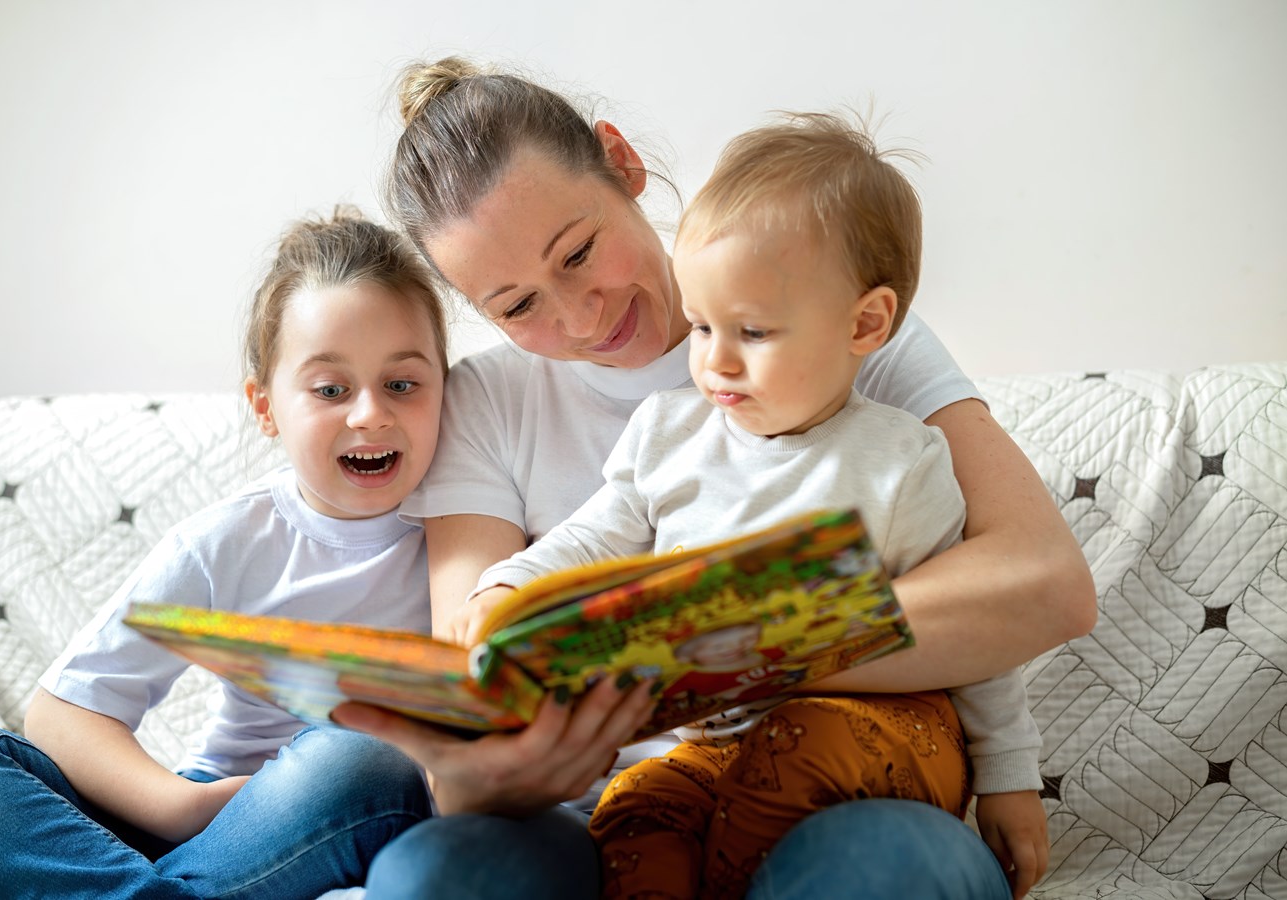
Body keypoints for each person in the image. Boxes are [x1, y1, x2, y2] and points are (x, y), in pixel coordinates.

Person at [333, 56, 1095, 900]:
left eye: (579, 252)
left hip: (836, 788)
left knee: (886, 871)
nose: (579, 316)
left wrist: (729, 650)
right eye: (516, 307)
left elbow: (1043, 588)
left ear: (621, 163)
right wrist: (509, 731)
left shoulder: (834, 323)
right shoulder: (500, 405)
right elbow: (469, 731)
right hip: (610, 810)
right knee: (431, 874)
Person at [0, 208, 449, 899]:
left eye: (402, 385)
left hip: (346, 806)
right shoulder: (231, 541)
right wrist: (180, 804)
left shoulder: (473, 526)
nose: (369, 414)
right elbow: (64, 713)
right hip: (212, 821)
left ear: (448, 391)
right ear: (265, 406)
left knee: (359, 758)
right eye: (329, 389)